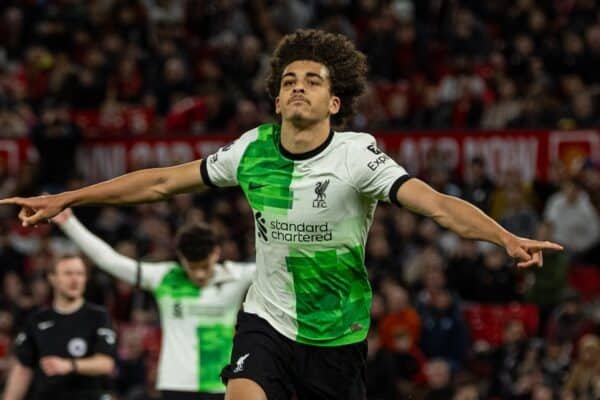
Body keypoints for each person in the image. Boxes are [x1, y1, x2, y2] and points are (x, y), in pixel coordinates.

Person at [0, 29, 563, 400]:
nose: (299, 88)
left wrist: (502, 237)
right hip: (265, 320)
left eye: (313, 81)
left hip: (337, 335)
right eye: (289, 81)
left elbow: (437, 205)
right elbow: (164, 182)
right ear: (275, 99)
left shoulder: (357, 155)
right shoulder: (251, 149)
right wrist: (70, 197)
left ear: (334, 103)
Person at [51, 208, 255, 400]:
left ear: (216, 254)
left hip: (223, 384)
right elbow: (110, 261)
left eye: (205, 266)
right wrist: (69, 223)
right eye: (193, 267)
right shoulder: (164, 277)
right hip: (177, 385)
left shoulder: (237, 276)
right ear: (181, 258)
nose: (199, 274)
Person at [4, 254, 116, 400]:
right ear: (52, 278)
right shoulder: (36, 320)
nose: (75, 280)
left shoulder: (98, 316)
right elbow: (23, 369)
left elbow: (106, 363)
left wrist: (69, 365)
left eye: (80, 274)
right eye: (68, 274)